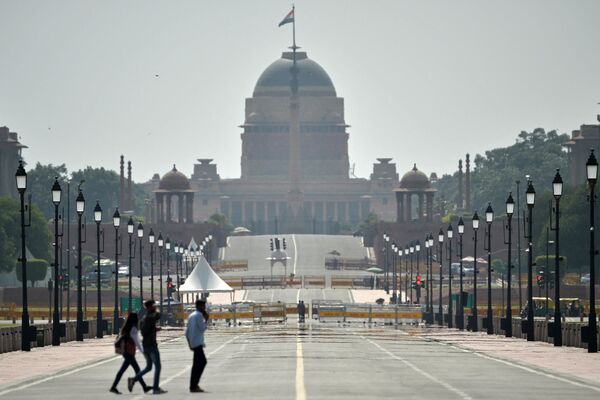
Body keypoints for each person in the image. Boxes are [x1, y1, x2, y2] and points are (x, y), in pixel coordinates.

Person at [129, 300, 166, 395]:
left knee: (149, 367)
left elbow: (145, 330)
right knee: (158, 366)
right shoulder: (150, 317)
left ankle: (133, 379)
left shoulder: (144, 318)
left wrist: (154, 329)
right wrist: (156, 310)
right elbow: (159, 315)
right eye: (153, 306)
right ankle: (156, 388)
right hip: (151, 345)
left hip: (146, 345)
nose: (155, 307)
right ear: (149, 307)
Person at [110, 313, 150, 394]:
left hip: (126, 352)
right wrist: (144, 352)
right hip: (129, 353)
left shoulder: (126, 328)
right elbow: (137, 342)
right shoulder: (133, 329)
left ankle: (144, 387)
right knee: (123, 370)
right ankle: (113, 387)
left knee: (137, 369)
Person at [186, 299, 208, 393]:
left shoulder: (191, 315)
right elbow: (202, 328)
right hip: (198, 343)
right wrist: (206, 319)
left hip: (193, 343)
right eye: (203, 306)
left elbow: (186, 332)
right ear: (199, 306)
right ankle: (194, 385)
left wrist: (189, 344)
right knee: (202, 362)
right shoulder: (199, 315)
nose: (204, 308)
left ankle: (193, 385)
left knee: (196, 364)